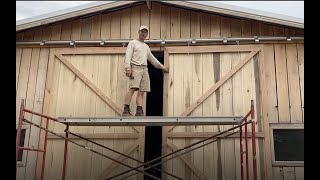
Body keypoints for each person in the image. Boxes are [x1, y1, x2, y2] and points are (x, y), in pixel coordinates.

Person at [122, 25, 169, 116]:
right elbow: (128, 56)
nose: (143, 33)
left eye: (145, 32)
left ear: (147, 34)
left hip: (144, 69)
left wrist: (162, 67)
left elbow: (152, 59)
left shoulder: (146, 46)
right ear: (138, 32)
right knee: (133, 88)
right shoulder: (133, 43)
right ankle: (126, 110)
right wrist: (128, 68)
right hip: (135, 67)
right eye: (142, 31)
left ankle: (139, 111)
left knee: (142, 91)